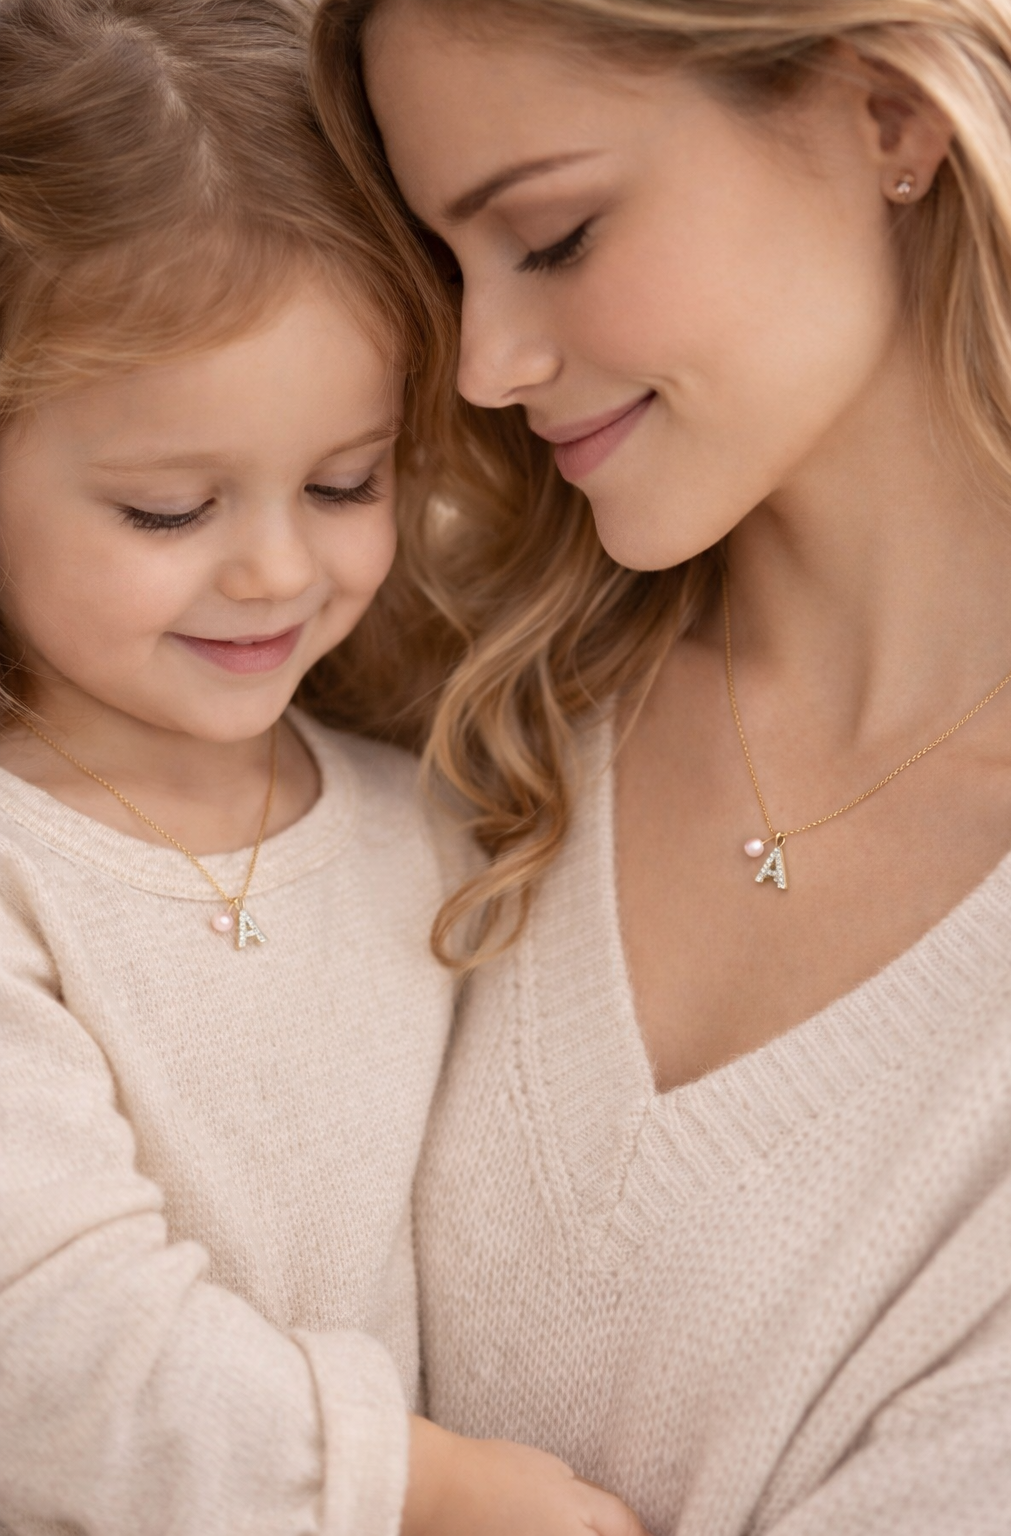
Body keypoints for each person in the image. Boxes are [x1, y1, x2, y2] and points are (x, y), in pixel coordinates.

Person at [311, 1, 1011, 1531]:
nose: (486, 364)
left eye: (552, 237)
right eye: (448, 262)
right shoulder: (410, 680)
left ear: (887, 116)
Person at [0, 2, 651, 1533]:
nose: (279, 571)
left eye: (348, 482)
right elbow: (48, 1340)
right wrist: (425, 1488)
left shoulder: (427, 811)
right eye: (170, 509)